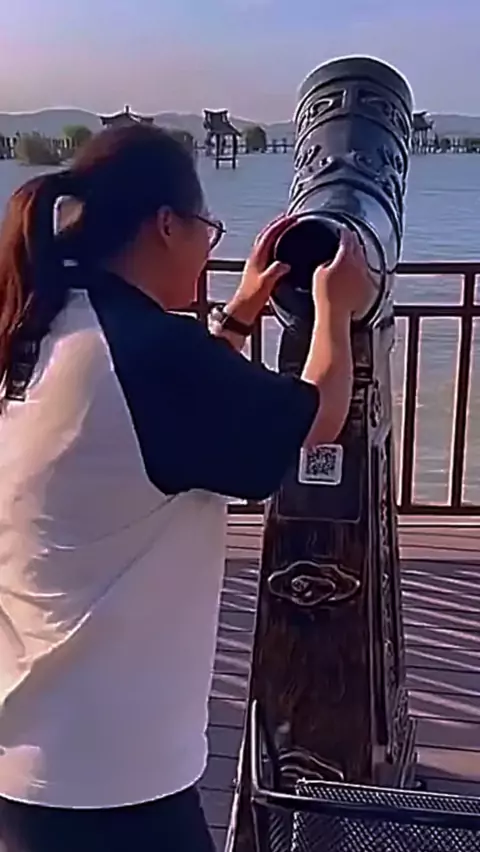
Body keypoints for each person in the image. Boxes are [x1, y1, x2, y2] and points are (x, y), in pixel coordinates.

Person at [0, 124, 374, 852]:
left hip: (34, 758)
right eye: (207, 228)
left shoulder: (44, 327)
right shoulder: (149, 358)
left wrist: (239, 315)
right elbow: (318, 417)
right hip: (111, 785)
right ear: (166, 224)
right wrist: (336, 307)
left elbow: (155, 418)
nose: (208, 245)